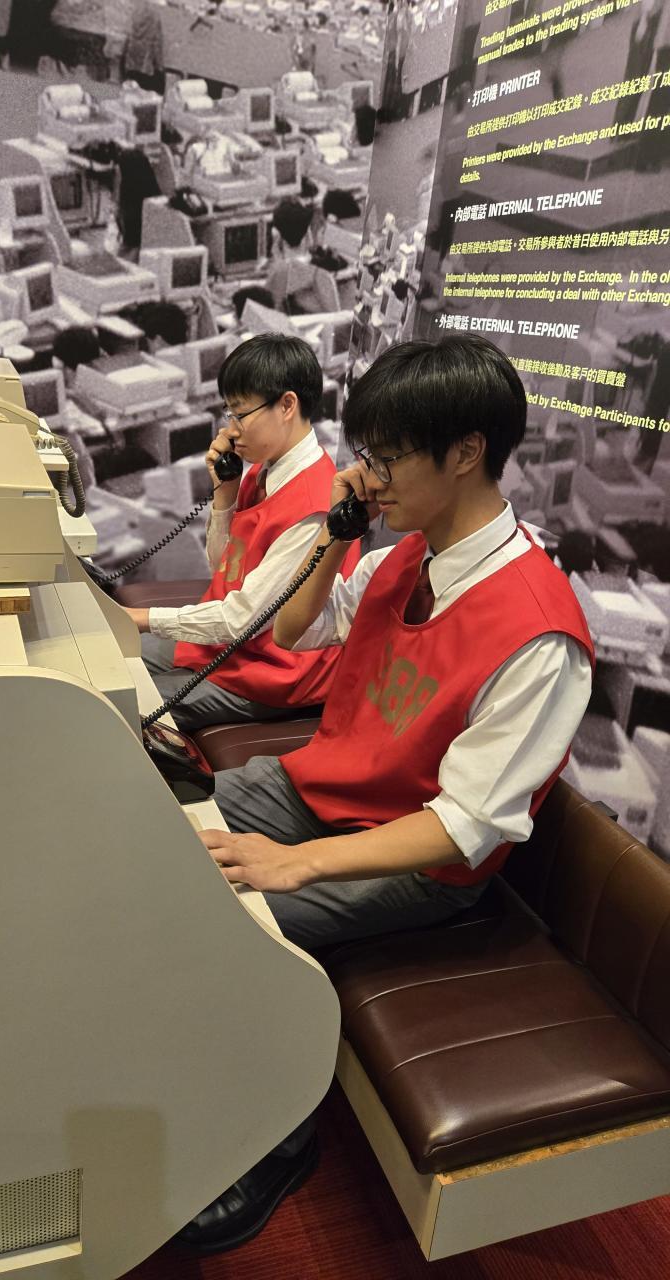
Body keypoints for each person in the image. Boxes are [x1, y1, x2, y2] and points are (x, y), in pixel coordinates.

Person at [177, 334, 594, 1254]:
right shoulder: (404, 554)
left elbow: (465, 826)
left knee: (225, 924)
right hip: (319, 789)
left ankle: (277, 1135)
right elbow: (294, 627)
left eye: (387, 456)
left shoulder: (539, 631)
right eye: (366, 453)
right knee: (160, 825)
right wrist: (339, 531)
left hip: (416, 860)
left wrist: (298, 866)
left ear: (466, 452)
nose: (368, 474)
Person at [124, 334, 361, 730]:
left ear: (287, 405)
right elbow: (224, 567)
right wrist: (225, 496)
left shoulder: (314, 504)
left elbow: (242, 620)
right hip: (240, 644)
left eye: (240, 414)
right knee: (113, 659)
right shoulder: (264, 471)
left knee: (123, 702)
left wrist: (141, 617)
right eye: (229, 414)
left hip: (274, 668)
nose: (231, 430)